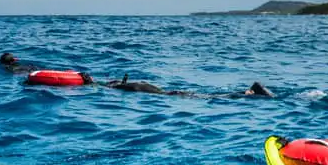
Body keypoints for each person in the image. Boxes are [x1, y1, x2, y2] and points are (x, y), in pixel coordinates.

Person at [104, 74, 274, 98]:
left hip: (175, 95)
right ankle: (249, 92)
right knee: (211, 97)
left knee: (212, 97)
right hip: (175, 93)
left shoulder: (132, 87)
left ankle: (250, 92)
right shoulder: (138, 85)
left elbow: (124, 86)